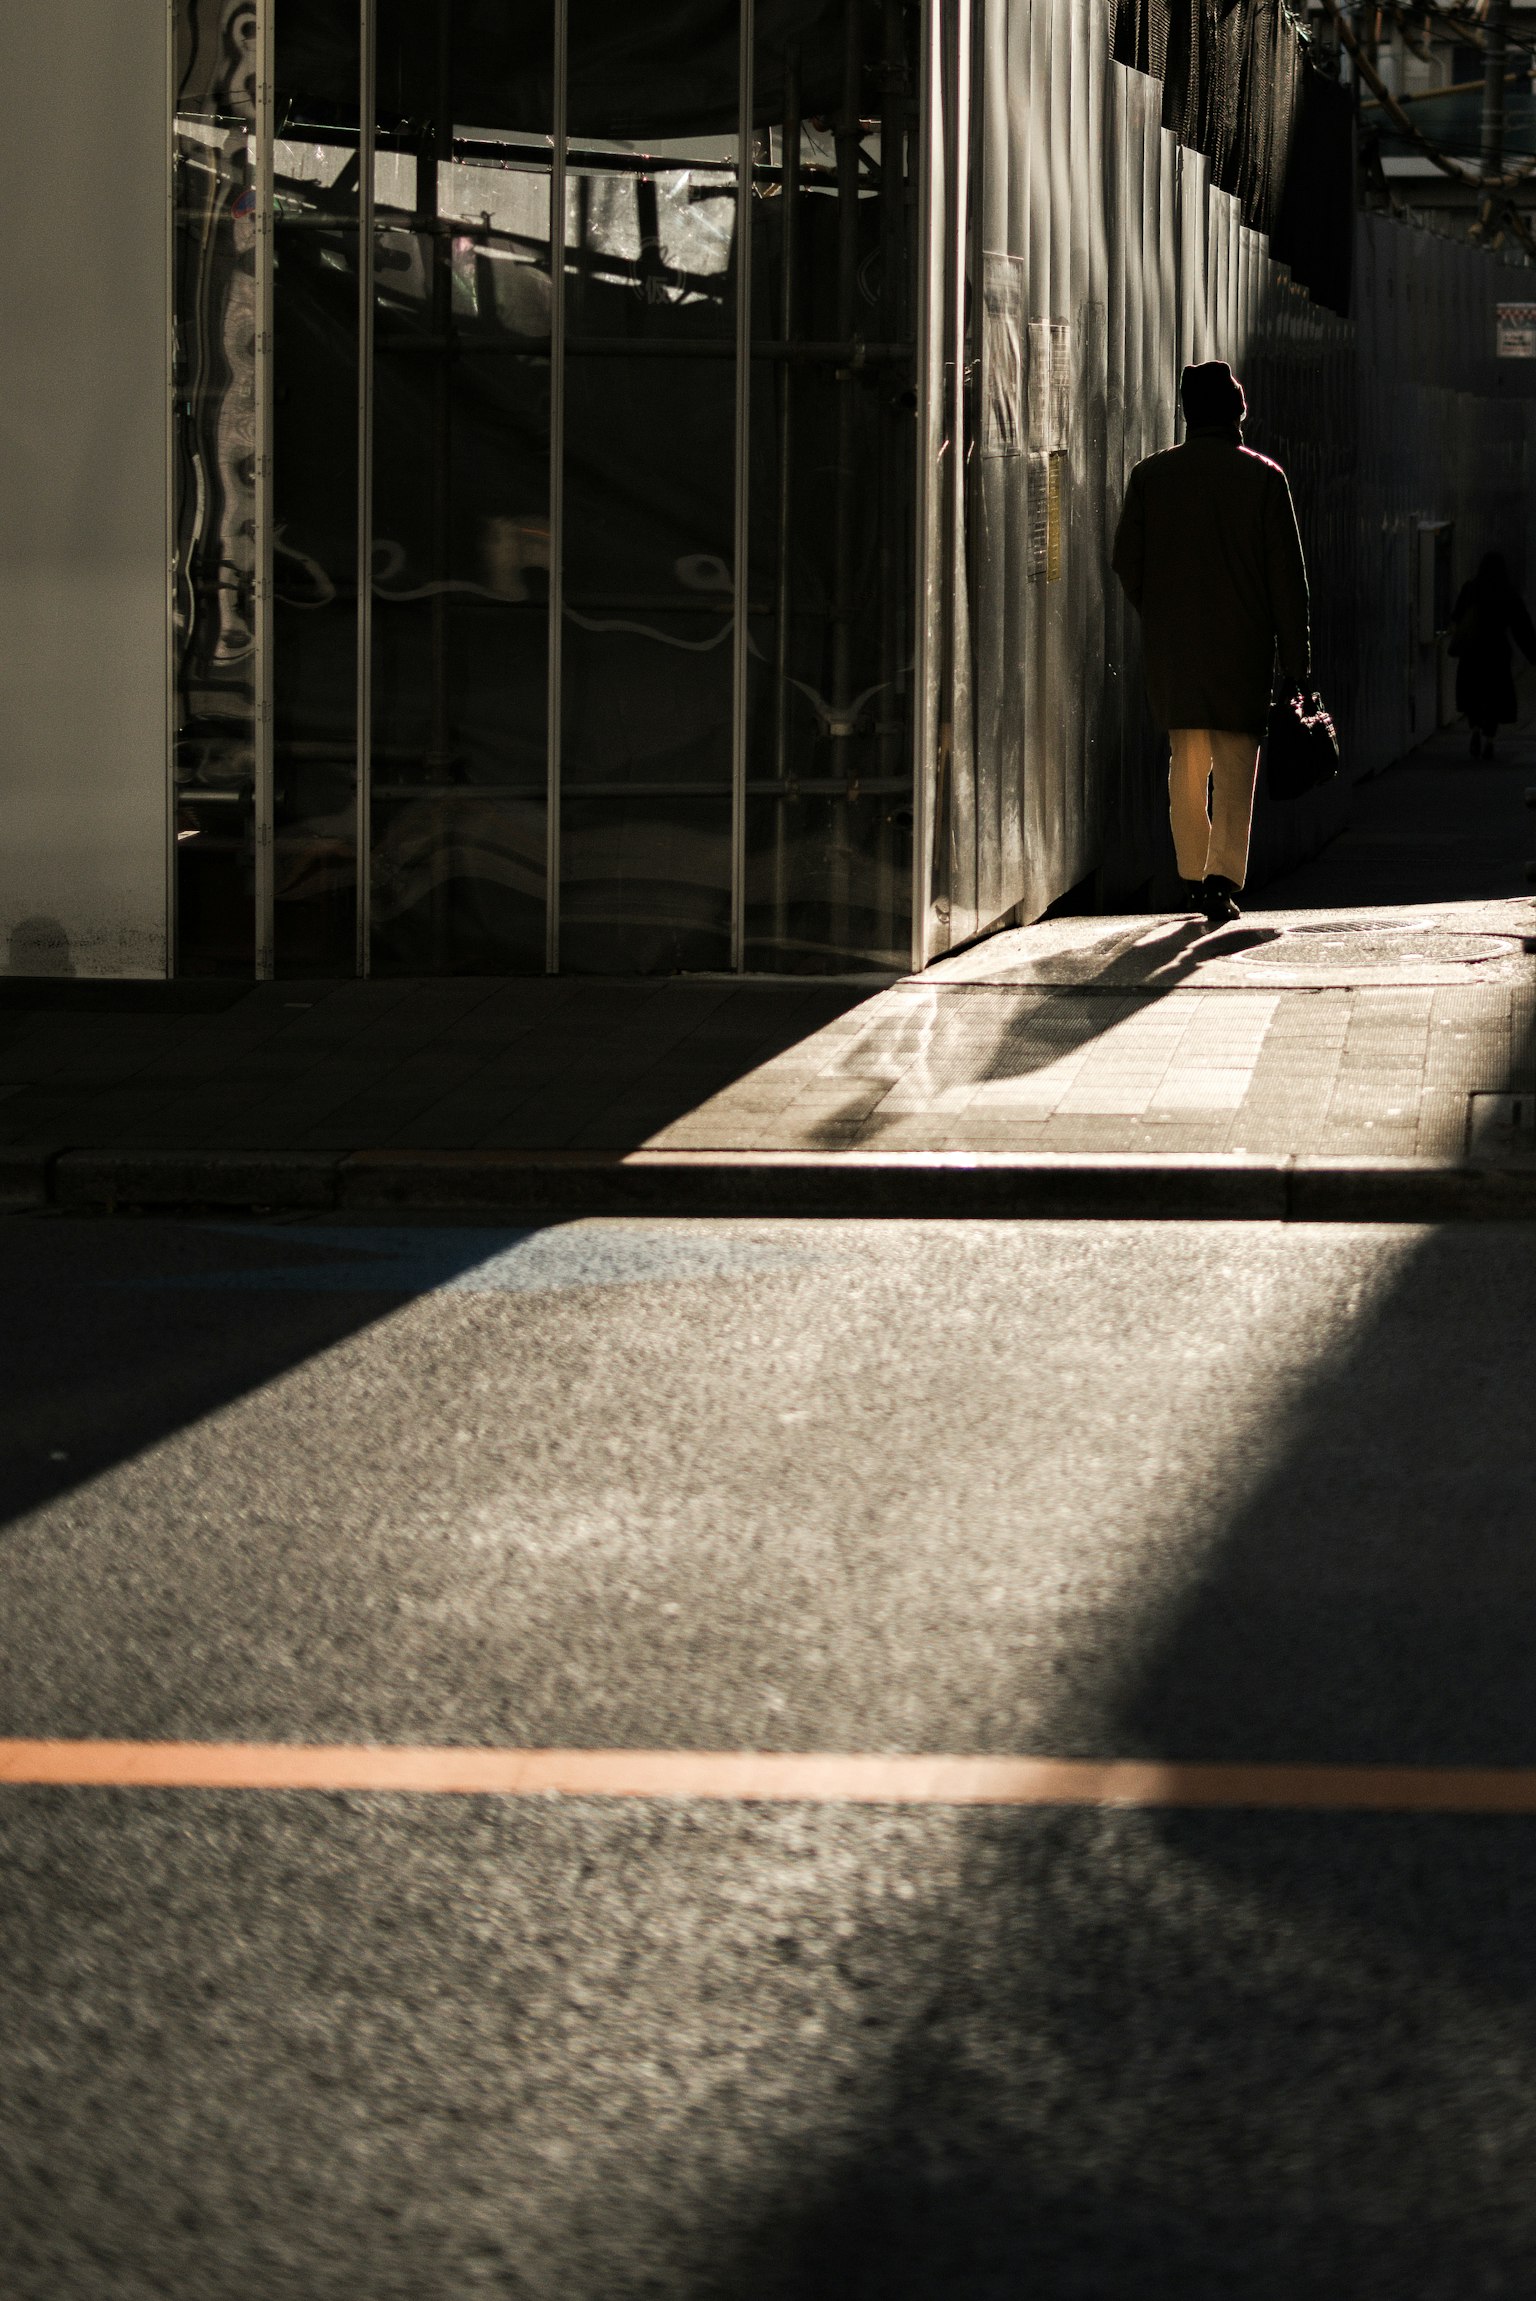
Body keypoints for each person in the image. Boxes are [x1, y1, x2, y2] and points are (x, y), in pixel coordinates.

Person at [1111, 360, 1311, 927]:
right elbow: (1287, 581)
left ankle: (1191, 877)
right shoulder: (1264, 479)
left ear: (1187, 413)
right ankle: (1222, 879)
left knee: (1187, 763)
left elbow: (1127, 560)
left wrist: (1161, 614)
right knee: (1235, 764)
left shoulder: (1151, 477)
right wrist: (1297, 665)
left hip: (1176, 651)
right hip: (1244, 650)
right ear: (1237, 413)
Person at [1449, 551, 1536, 759]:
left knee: (1473, 693)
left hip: (1473, 651)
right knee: (1495, 697)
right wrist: (1533, 654)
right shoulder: (1507, 591)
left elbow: (1457, 615)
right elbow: (1521, 627)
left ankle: (1475, 729)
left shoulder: (1471, 588)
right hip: (1497, 651)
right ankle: (1489, 739)